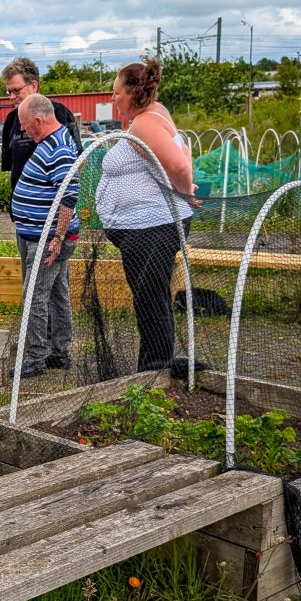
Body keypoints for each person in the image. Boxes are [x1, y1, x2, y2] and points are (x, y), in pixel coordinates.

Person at [95, 57, 195, 371]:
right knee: (151, 296)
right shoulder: (154, 113)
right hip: (145, 228)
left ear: (134, 93)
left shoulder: (145, 123)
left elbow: (179, 165)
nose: (113, 100)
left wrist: (186, 191)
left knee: (150, 299)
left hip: (153, 227)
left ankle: (156, 371)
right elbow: (182, 156)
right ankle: (153, 366)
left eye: (116, 93)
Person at [11, 93, 80, 378]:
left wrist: (57, 237)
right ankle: (60, 351)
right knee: (57, 294)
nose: (23, 130)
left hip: (46, 238)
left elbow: (69, 196)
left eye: (25, 125)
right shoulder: (50, 142)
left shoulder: (59, 149)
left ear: (39, 120)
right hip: (37, 234)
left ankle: (36, 357)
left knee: (35, 296)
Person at [1, 57, 82, 275]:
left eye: (16, 90)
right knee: (30, 274)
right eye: (9, 92)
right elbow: (12, 167)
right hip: (26, 221)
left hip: (50, 222)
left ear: (34, 85)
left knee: (45, 281)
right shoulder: (11, 121)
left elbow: (76, 165)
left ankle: (38, 312)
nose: (12, 97)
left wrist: (61, 229)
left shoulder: (58, 114)